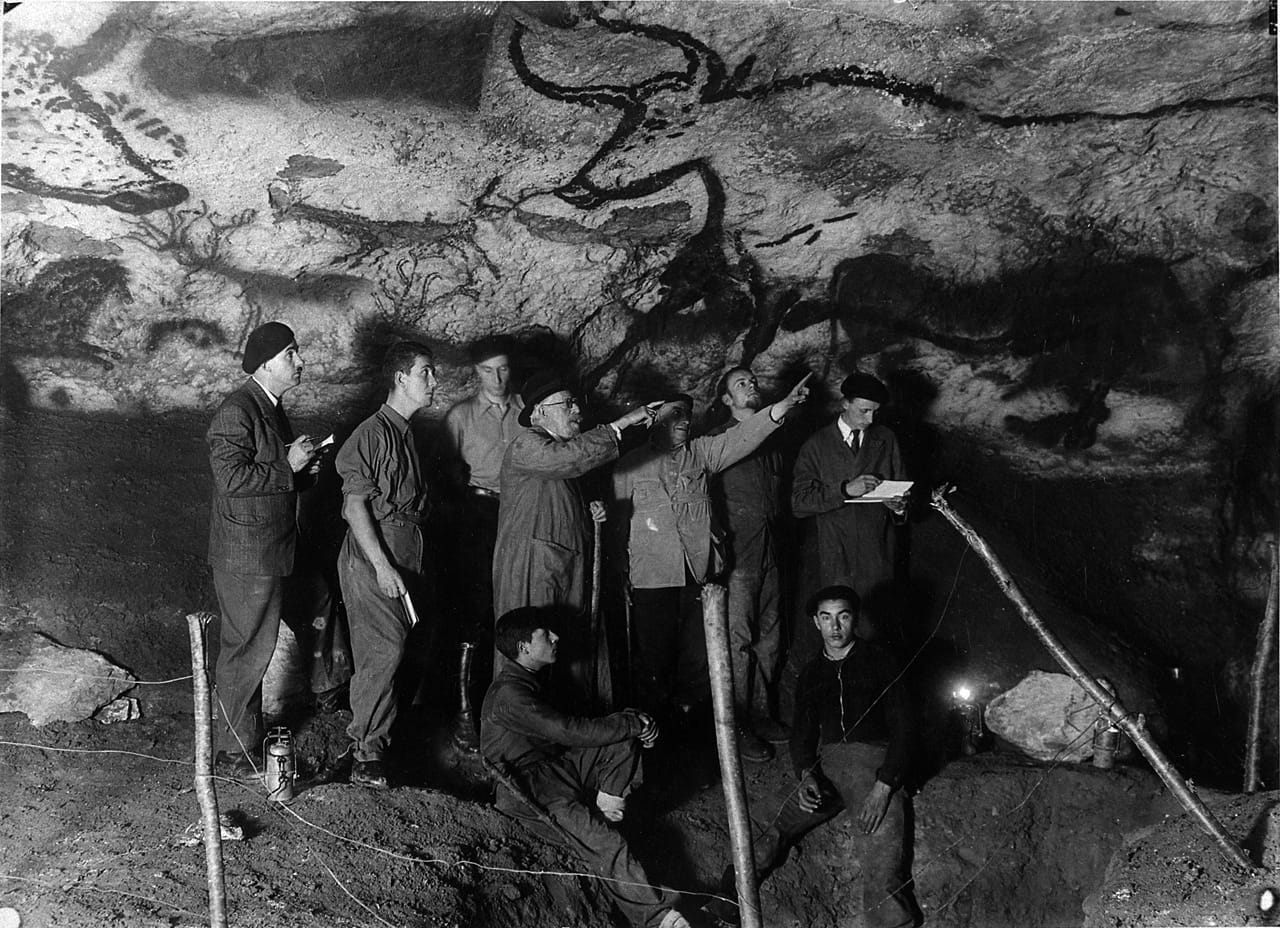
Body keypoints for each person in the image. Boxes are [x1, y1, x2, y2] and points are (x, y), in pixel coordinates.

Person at [611, 375, 810, 757]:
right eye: (673, 414)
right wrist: (621, 578)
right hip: (652, 581)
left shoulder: (702, 453)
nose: (683, 420)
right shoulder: (628, 467)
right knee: (654, 667)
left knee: (699, 669)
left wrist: (781, 407)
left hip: (698, 578)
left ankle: (696, 751)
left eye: (687, 414)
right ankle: (655, 751)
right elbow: (619, 527)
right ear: (652, 420)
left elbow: (744, 436)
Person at [702, 585, 917, 928]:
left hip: (873, 767)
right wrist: (806, 775)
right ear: (816, 623)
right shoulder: (812, 672)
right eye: (826, 617)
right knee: (762, 819)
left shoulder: (881, 660)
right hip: (828, 766)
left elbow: (906, 726)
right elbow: (802, 735)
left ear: (855, 620)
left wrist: (884, 786)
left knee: (881, 859)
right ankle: (730, 901)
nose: (835, 627)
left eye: (843, 616)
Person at [480, 607, 691, 928]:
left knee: (621, 737)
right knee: (608, 844)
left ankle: (605, 811)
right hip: (528, 788)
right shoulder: (510, 694)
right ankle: (659, 918)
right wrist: (631, 723)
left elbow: (587, 729)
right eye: (545, 634)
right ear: (524, 647)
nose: (556, 637)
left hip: (556, 769)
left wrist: (634, 723)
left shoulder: (530, 680)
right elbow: (568, 730)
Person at [492, 370, 657, 708]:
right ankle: (525, 732)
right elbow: (567, 461)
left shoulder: (558, 453)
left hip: (559, 567)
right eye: (567, 405)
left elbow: (556, 494)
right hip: (532, 568)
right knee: (530, 653)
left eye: (575, 404)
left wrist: (588, 510)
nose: (577, 411)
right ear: (539, 412)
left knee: (563, 655)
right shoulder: (528, 443)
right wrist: (620, 424)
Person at [206, 321, 323, 778]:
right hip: (245, 554)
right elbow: (231, 480)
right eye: (292, 354)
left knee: (258, 643)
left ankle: (245, 739)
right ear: (267, 363)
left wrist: (304, 471)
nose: (300, 362)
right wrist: (286, 464)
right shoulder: (236, 411)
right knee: (246, 649)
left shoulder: (270, 408)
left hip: (268, 549)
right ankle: (235, 751)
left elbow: (271, 477)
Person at [335, 341, 437, 789]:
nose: (433, 383)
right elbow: (355, 507)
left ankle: (382, 741)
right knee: (384, 650)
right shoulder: (371, 434)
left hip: (405, 549)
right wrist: (381, 566)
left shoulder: (406, 433)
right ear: (401, 379)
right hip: (372, 553)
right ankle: (365, 754)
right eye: (426, 374)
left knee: (406, 650)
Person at [440, 335, 523, 749]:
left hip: (522, 512)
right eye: (488, 370)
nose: (497, 377)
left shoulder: (528, 412)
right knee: (475, 610)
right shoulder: (461, 416)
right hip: (477, 515)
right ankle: (465, 712)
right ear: (476, 373)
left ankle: (513, 710)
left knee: (519, 605)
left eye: (503, 368)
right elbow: (446, 479)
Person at [706, 367, 790, 758]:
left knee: (769, 640)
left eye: (754, 380)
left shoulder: (774, 441)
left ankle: (761, 713)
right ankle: (736, 725)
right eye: (741, 383)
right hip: (738, 557)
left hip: (772, 554)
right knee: (738, 643)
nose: (751, 385)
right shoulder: (718, 440)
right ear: (726, 400)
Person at [790, 371, 906, 646]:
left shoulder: (885, 439)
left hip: (877, 549)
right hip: (835, 550)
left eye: (876, 412)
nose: (871, 419)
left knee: (879, 628)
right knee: (841, 628)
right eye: (864, 411)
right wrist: (844, 490)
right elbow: (799, 502)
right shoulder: (816, 445)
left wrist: (898, 506)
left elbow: (902, 491)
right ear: (845, 403)